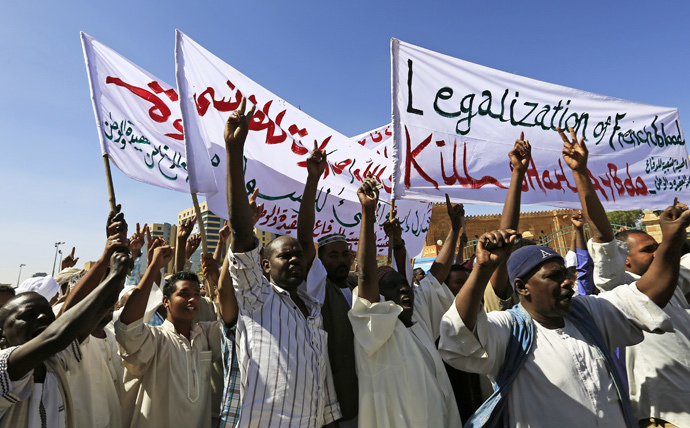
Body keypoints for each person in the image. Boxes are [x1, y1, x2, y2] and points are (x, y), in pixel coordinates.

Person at [439, 194, 690, 427]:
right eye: (554, 277)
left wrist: (672, 239)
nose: (567, 282)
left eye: (566, 274)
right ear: (522, 287)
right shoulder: (509, 331)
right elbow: (459, 335)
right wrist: (482, 269)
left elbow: (647, 296)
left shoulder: (587, 314)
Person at [560, 125, 690, 428]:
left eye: (658, 247)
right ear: (625, 260)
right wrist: (581, 173)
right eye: (648, 250)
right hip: (664, 416)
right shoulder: (618, 288)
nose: (658, 254)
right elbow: (603, 234)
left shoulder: (675, 279)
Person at [224, 98, 340, 427]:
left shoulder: (312, 310)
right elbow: (243, 232)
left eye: (298, 255)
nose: (294, 259)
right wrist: (234, 153)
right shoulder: (256, 296)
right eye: (283, 255)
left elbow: (323, 389)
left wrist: (313, 180)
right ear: (264, 265)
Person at [348, 178, 461, 428]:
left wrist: (455, 229)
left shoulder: (418, 321)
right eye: (392, 286)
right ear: (379, 299)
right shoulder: (374, 329)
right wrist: (368, 212)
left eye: (404, 284)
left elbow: (436, 276)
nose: (403, 288)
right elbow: (366, 276)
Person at [0, 249, 131, 428]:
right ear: (2, 334)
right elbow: (56, 336)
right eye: (29, 315)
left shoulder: (54, 362)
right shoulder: (4, 366)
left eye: (47, 313)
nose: (42, 318)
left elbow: (99, 310)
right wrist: (113, 275)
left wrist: (119, 269)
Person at [115, 242, 231, 428]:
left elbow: (231, 321)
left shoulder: (206, 335)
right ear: (166, 301)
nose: (192, 299)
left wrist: (217, 278)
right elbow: (128, 327)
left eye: (196, 294)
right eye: (183, 294)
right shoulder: (154, 339)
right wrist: (153, 267)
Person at [297, 141, 358, 427]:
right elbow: (305, 237)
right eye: (333, 256)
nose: (341, 260)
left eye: (345, 254)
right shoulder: (320, 288)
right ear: (320, 262)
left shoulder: (359, 286)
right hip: (337, 402)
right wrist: (313, 179)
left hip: (371, 395)